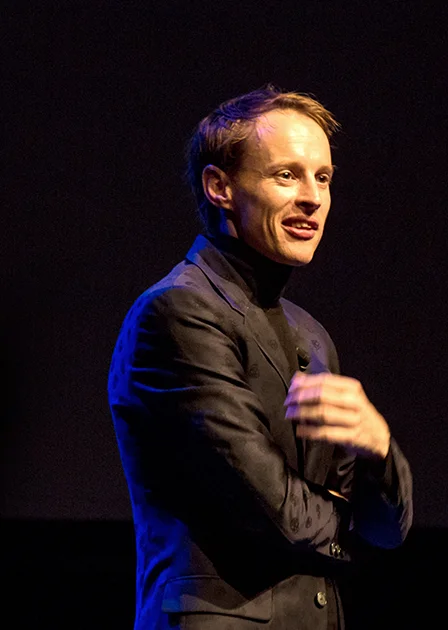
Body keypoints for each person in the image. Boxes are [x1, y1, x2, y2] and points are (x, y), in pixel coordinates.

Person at [108, 86, 413, 629]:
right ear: (220, 186)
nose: (313, 198)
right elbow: (278, 515)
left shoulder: (311, 334)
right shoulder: (178, 313)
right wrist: (348, 517)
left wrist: (379, 447)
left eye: (323, 177)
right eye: (287, 175)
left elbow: (388, 526)